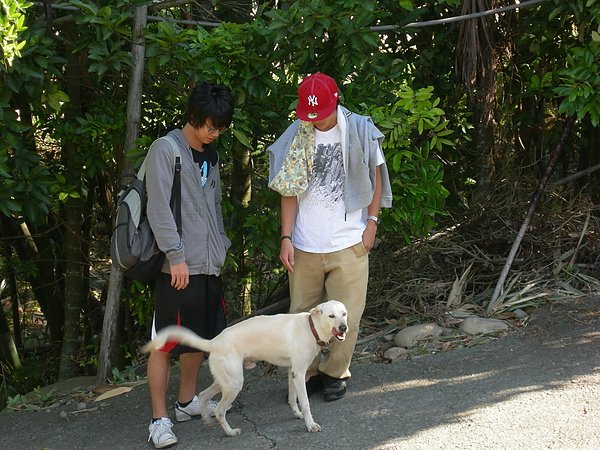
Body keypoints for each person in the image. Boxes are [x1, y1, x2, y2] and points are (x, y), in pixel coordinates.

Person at [267, 72, 392, 402]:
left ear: (334, 101)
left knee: (346, 317)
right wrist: (286, 237)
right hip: (305, 245)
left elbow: (377, 178)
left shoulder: (360, 129)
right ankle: (303, 375)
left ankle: (335, 373)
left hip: (349, 242)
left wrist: (372, 224)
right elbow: (288, 190)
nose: (315, 120)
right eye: (309, 114)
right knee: (301, 318)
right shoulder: (296, 134)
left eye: (319, 113)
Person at [144, 81, 234, 448]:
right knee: (165, 344)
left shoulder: (210, 155)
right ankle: (158, 420)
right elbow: (158, 208)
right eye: (211, 125)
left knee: (199, 340)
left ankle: (186, 402)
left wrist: (221, 248)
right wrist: (175, 256)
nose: (215, 132)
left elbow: (212, 208)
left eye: (221, 127)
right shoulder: (165, 150)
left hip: (208, 264)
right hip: (177, 267)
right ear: (195, 117)